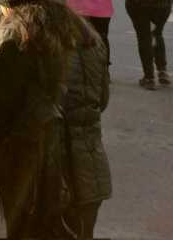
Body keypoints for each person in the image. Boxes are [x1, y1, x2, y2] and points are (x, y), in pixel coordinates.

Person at [0, 0, 80, 238]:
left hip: (27, 159)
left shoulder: (13, 46)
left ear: (8, 7)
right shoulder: (79, 33)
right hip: (79, 151)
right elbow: (99, 97)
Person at [60, 19, 113, 239]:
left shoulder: (33, 42)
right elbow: (102, 100)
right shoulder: (90, 39)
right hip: (92, 161)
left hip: (57, 166)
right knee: (84, 229)